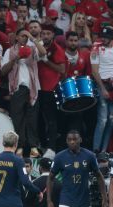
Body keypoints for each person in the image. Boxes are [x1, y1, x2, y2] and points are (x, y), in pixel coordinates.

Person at [1, 28, 46, 157]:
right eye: (22, 36)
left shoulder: (32, 49)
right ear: (16, 37)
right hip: (17, 89)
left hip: (33, 88)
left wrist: (32, 38)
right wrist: (16, 58)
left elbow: (43, 52)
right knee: (17, 119)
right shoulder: (9, 51)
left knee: (32, 119)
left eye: (26, 37)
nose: (24, 38)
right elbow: (3, 71)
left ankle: (33, 147)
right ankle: (19, 147)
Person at [37, 23, 66, 157]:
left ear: (53, 35)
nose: (46, 36)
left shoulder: (57, 49)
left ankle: (52, 148)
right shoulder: (38, 47)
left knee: (51, 120)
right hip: (37, 88)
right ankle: (42, 145)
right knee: (39, 119)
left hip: (50, 89)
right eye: (43, 33)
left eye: (48, 33)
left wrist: (46, 61)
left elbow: (62, 69)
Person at [91, 27, 113, 153]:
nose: (103, 39)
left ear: (111, 38)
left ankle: (103, 150)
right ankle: (95, 149)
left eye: (106, 37)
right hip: (102, 84)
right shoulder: (96, 49)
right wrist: (102, 89)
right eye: (102, 36)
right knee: (102, 119)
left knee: (111, 118)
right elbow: (94, 71)